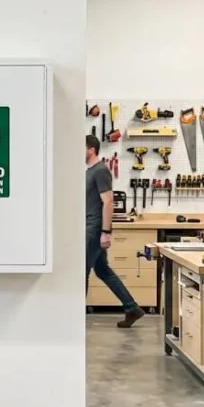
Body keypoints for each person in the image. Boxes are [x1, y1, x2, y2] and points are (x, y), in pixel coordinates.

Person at [86, 135, 144, 328]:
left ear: (91, 149)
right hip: (91, 226)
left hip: (94, 229)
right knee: (103, 270)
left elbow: (108, 202)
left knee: (81, 271)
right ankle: (132, 308)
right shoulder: (90, 171)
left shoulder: (101, 171)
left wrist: (105, 231)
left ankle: (75, 317)